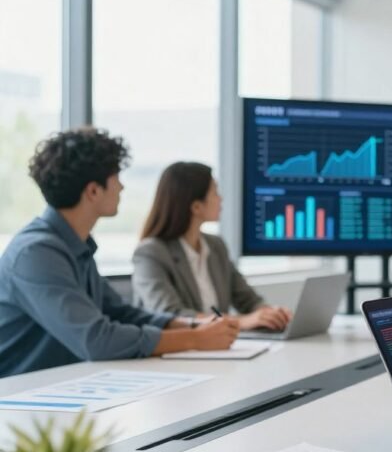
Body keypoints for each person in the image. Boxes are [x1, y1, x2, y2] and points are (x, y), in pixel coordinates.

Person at [0, 127, 240, 378]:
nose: (122, 187)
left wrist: (194, 325)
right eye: (116, 178)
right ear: (93, 191)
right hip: (19, 401)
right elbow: (97, 339)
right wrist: (194, 339)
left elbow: (122, 313)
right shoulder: (36, 254)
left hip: (60, 389)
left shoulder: (74, 246)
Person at [132, 162, 293, 331]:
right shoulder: (150, 253)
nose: (221, 199)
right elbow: (170, 314)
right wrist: (240, 321)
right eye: (215, 192)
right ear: (196, 207)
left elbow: (248, 300)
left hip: (215, 347)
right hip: (174, 349)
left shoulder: (216, 246)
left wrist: (269, 314)